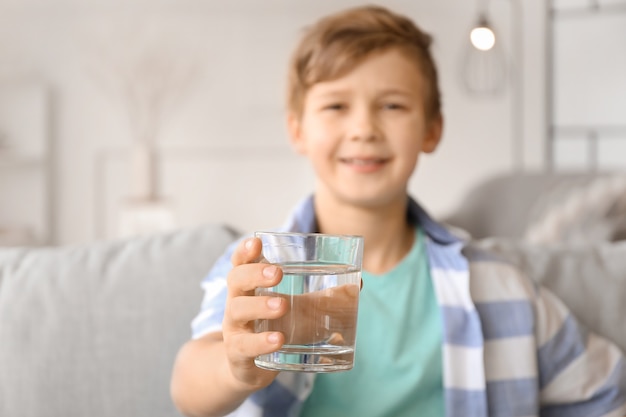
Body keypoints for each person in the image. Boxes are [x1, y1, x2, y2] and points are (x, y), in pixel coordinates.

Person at [170, 5, 626, 417]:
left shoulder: (499, 287)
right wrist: (234, 368)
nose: (364, 128)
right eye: (336, 106)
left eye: (392, 105)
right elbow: (189, 386)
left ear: (431, 129)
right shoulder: (260, 270)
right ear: (297, 130)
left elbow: (606, 393)